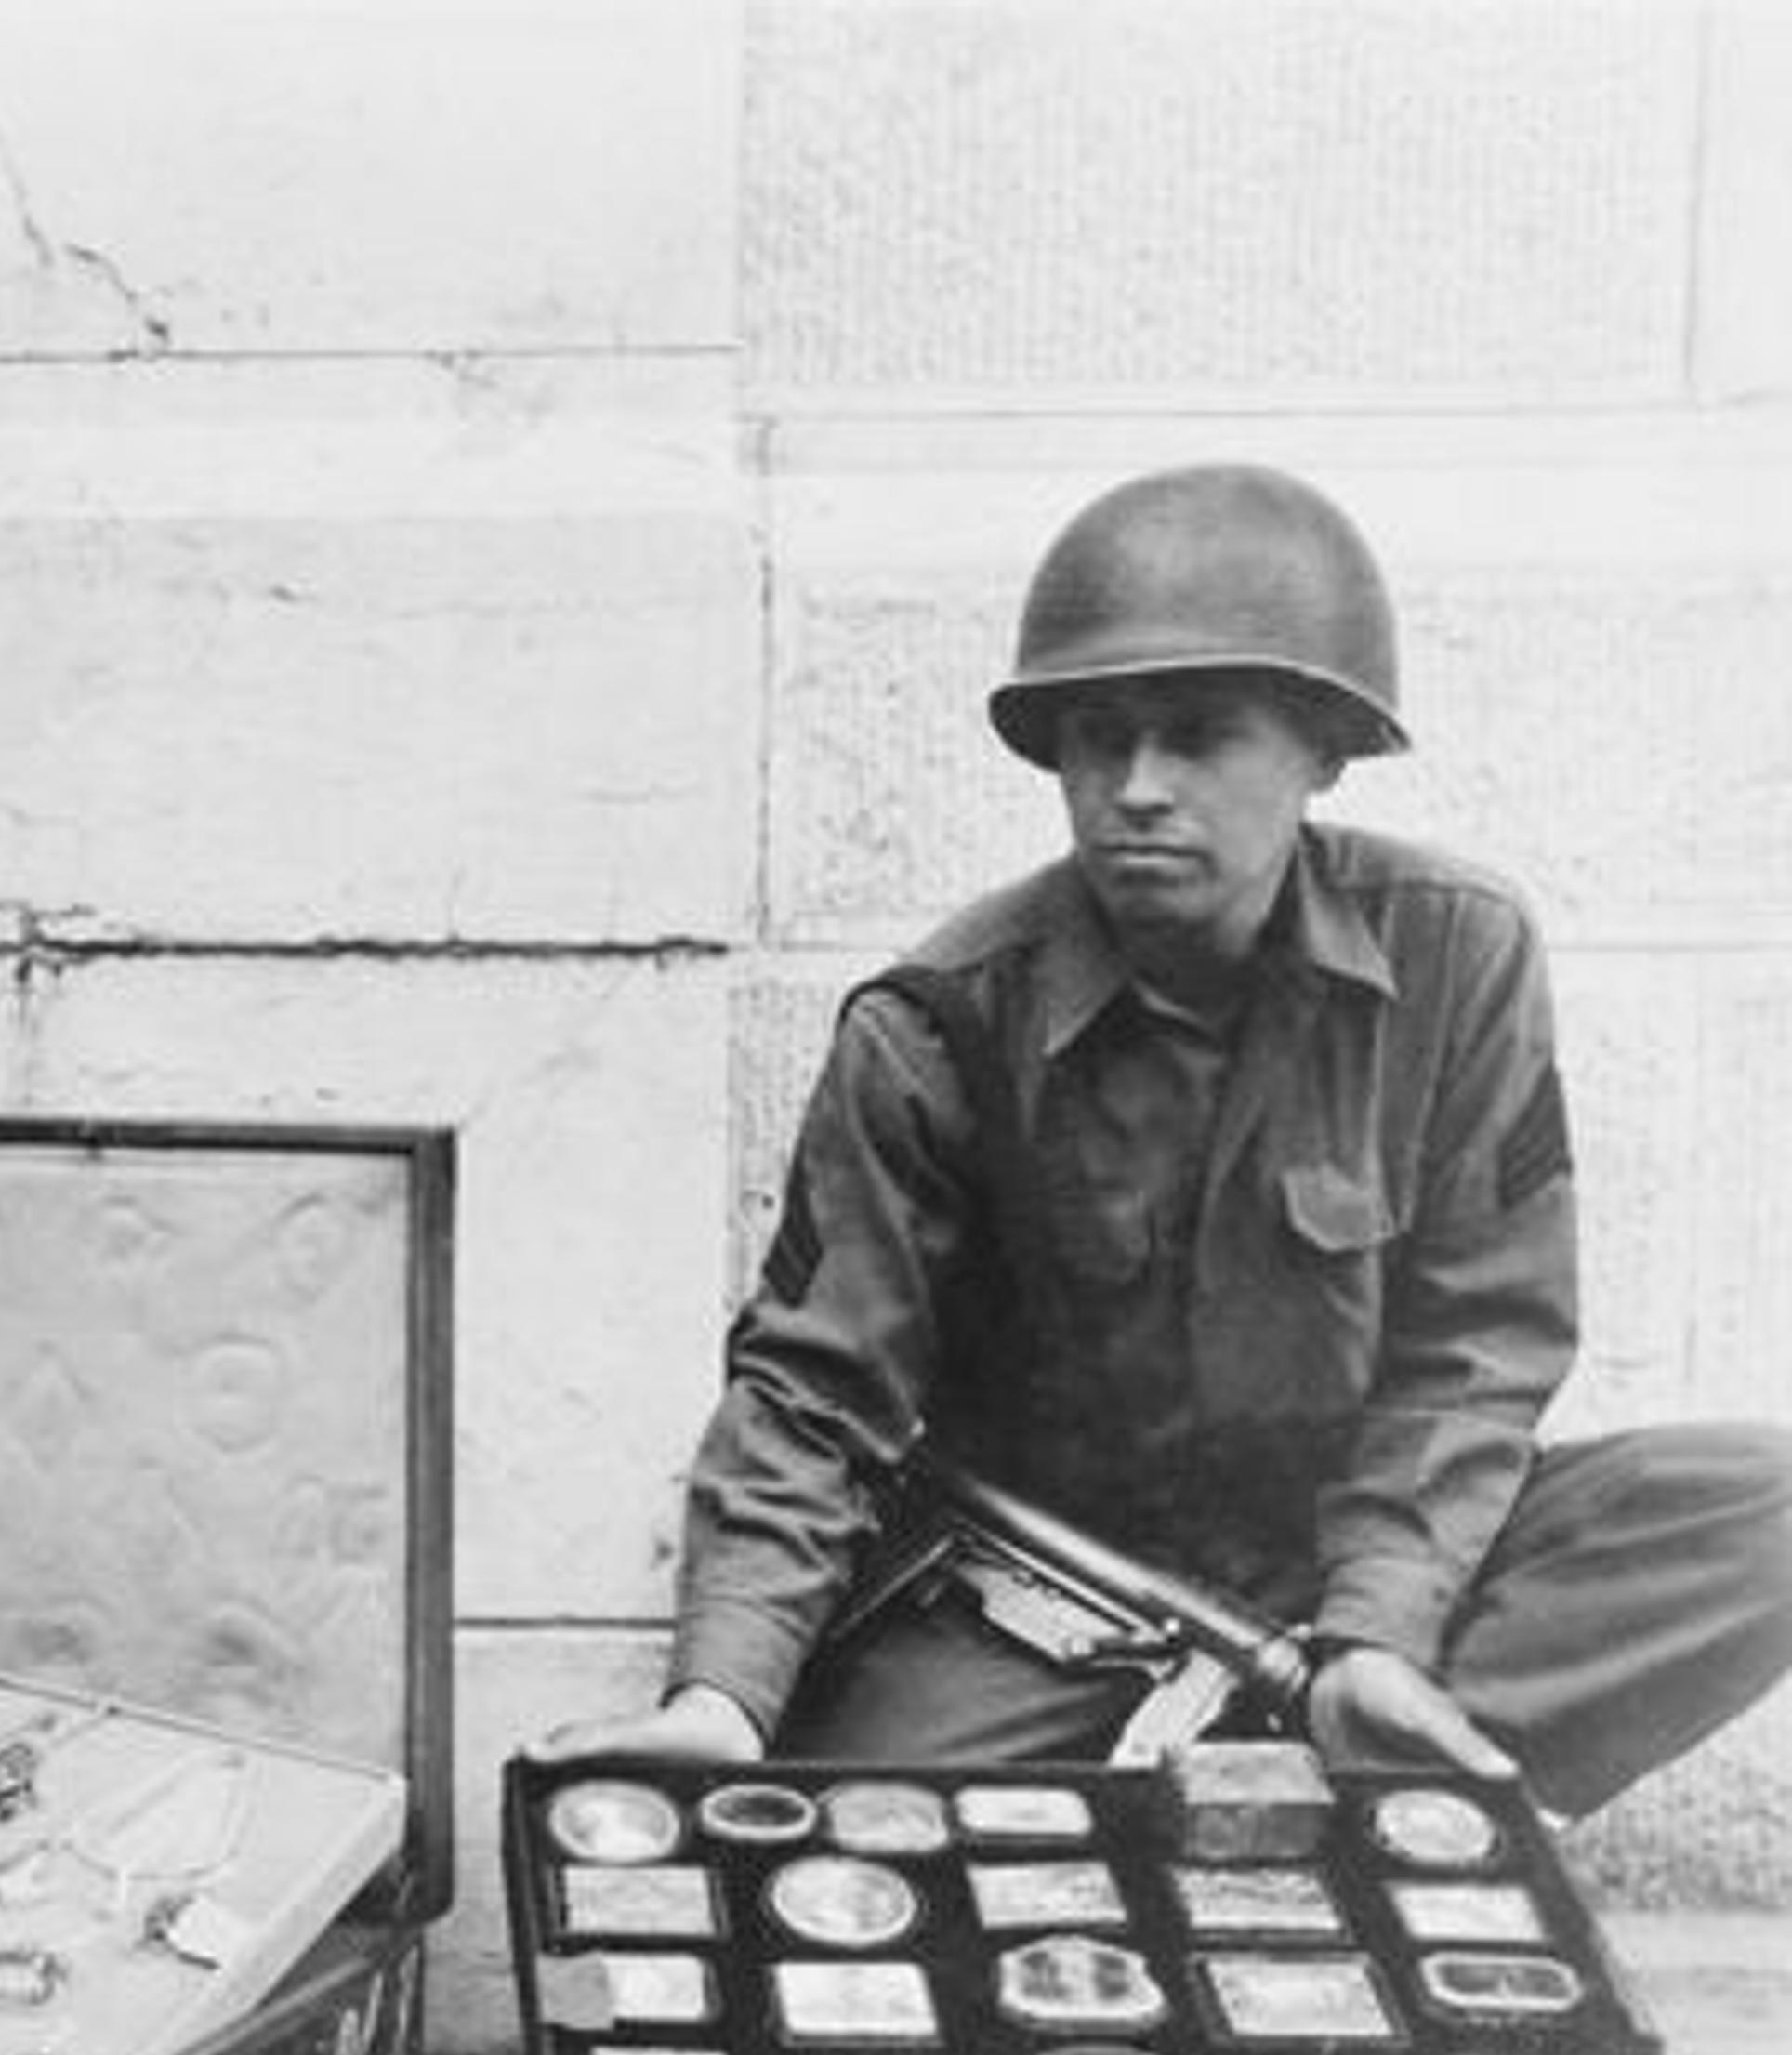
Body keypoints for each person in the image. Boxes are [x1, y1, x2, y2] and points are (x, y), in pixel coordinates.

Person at [553, 463, 1792, 1813]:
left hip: (1375, 1557)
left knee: (1759, 1507)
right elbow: (812, 1389)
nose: (1139, 786)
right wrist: (719, 1696)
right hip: (1043, 1604)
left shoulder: (1455, 954)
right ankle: (1326, 1804)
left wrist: (1373, 1625)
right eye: (1100, 737)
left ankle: (1345, 1746)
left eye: (1201, 735)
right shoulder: (937, 1024)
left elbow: (1479, 1343)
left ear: (1322, 752)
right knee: (841, 1850)